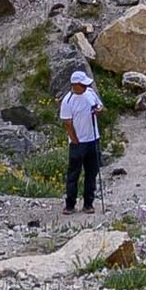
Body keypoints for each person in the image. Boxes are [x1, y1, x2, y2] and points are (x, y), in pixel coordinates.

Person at [58, 62, 105, 212]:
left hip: (93, 139)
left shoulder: (90, 93)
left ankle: (88, 203)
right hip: (78, 143)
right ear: (75, 84)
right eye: (82, 84)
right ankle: (70, 204)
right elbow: (67, 123)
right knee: (74, 173)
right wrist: (75, 140)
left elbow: (100, 106)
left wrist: (98, 110)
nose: (85, 86)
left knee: (92, 172)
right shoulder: (68, 101)